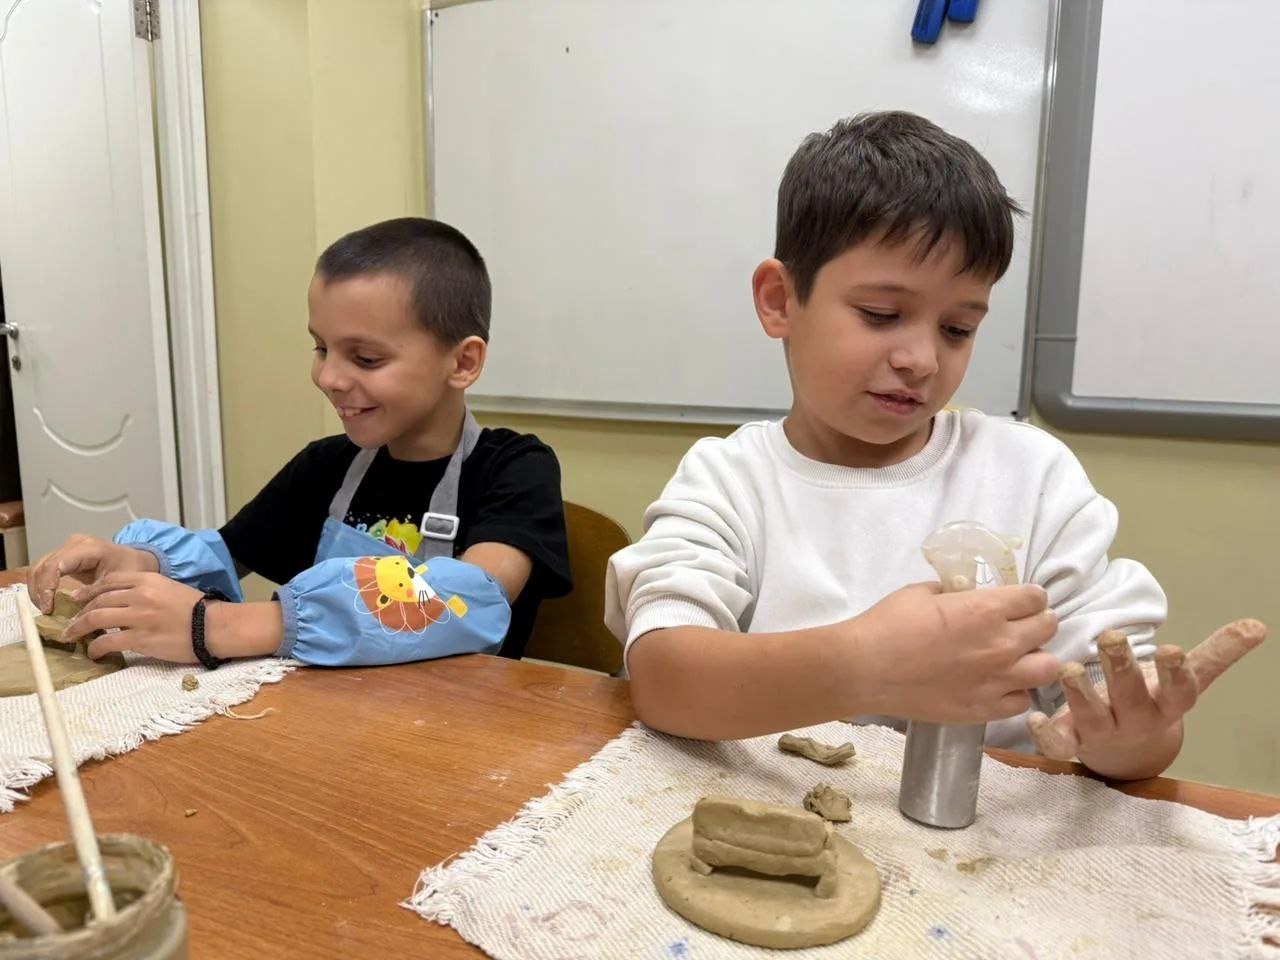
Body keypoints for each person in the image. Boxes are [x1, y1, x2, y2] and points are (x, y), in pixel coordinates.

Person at [605, 111, 1259, 780]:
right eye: (881, 315)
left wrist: (1130, 731)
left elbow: (1114, 715)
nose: (921, 359)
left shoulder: (1028, 476)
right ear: (779, 300)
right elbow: (663, 681)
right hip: (771, 807)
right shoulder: (728, 480)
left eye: (957, 329)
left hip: (980, 825)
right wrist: (867, 666)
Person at [30, 217, 571, 668]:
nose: (329, 378)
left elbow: (474, 594)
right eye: (321, 348)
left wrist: (223, 626)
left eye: (365, 358)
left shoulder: (515, 467)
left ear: (463, 362)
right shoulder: (325, 465)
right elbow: (225, 553)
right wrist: (136, 562)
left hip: (455, 731)